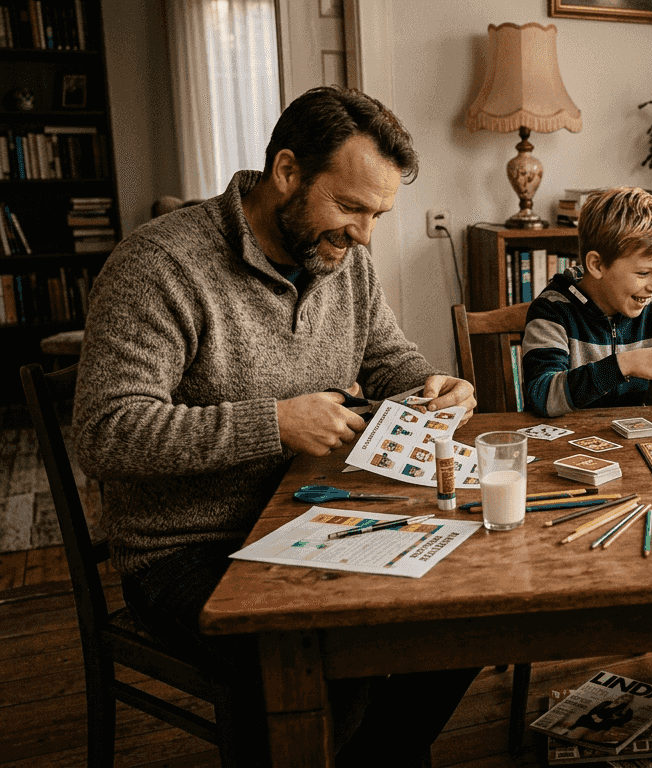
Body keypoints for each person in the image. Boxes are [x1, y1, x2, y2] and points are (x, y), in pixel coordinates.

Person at [73, 85, 481, 767]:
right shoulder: (160, 266)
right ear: (287, 172)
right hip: (189, 547)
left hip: (319, 517)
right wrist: (273, 424)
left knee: (463, 622)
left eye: (377, 214)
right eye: (350, 206)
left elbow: (390, 360)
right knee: (325, 669)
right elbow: (105, 432)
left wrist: (435, 386)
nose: (364, 234)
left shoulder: (345, 260)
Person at [522, 186, 652, 417]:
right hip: (568, 436)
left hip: (626, 435)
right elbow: (543, 396)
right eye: (643, 273)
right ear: (597, 265)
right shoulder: (552, 311)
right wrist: (622, 365)